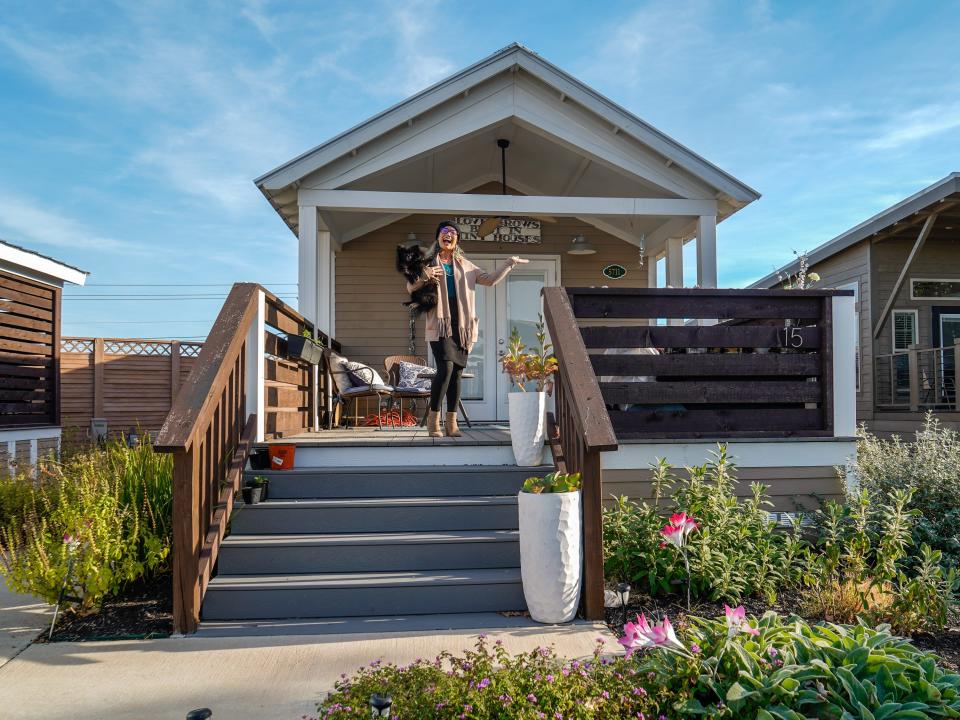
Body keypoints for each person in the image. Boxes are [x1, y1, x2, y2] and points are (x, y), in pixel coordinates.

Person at [406, 221, 529, 437]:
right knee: (445, 370)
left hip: (462, 326)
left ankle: (451, 423)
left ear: (457, 240)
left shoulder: (466, 265)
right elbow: (411, 286)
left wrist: (509, 263)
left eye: (453, 233)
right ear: (438, 238)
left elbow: (490, 280)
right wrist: (426, 275)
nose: (449, 235)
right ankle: (433, 421)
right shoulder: (427, 262)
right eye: (444, 232)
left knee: (456, 374)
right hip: (440, 324)